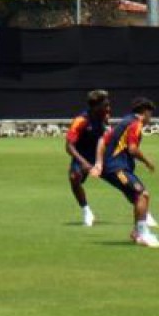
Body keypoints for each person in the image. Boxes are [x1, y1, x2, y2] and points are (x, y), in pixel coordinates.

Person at [90, 97, 159, 248]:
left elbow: (103, 140)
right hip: (116, 168)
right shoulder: (135, 124)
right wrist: (148, 162)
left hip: (115, 167)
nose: (150, 118)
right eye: (150, 115)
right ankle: (142, 234)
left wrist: (99, 163)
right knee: (142, 194)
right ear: (145, 112)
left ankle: (137, 232)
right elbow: (132, 149)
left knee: (140, 197)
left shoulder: (125, 121)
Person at [65, 90, 111, 226]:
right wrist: (84, 163)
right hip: (83, 157)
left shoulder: (103, 116)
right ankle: (87, 211)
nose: (108, 109)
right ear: (95, 106)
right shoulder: (80, 121)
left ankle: (143, 210)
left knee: (122, 178)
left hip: (102, 156)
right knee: (74, 178)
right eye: (105, 105)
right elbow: (69, 146)